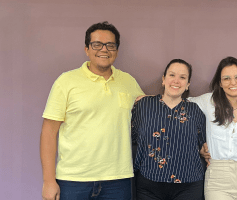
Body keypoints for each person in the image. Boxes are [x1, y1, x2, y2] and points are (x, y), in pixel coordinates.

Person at [40, 21, 144, 200]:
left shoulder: (128, 82)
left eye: (110, 45)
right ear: (87, 49)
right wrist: (49, 181)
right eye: (97, 44)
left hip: (118, 180)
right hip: (73, 180)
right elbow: (49, 132)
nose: (104, 49)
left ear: (117, 50)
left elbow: (154, 114)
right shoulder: (66, 82)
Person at [190, 56, 237, 200]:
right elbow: (180, 103)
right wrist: (150, 99)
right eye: (226, 78)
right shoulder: (208, 101)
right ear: (220, 83)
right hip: (217, 177)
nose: (233, 82)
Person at [132, 59, 207, 200]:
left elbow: (204, 145)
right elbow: (131, 136)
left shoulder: (195, 110)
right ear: (163, 79)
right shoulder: (143, 105)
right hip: (149, 183)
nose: (176, 81)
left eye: (182, 77)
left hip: (188, 185)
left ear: (187, 85)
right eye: (172, 75)